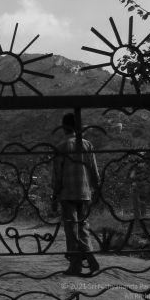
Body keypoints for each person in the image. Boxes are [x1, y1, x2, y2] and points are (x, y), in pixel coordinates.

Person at [52, 113, 101, 276]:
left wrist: (55, 193)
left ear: (64, 127)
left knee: (71, 229)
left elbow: (57, 174)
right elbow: (94, 170)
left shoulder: (62, 146)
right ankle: (88, 255)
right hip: (85, 192)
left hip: (67, 192)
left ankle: (77, 264)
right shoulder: (87, 144)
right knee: (83, 226)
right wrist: (96, 189)